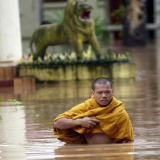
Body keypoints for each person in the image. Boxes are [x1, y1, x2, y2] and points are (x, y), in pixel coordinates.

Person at [53, 77, 134, 144]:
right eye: (100, 93)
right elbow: (57, 123)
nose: (104, 96)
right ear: (93, 94)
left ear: (112, 92)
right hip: (87, 153)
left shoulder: (120, 112)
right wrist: (80, 122)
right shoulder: (86, 107)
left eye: (107, 92)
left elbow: (127, 142)